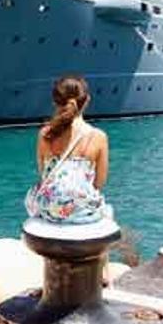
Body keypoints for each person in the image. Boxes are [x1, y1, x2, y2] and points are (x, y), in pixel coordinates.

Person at [25, 75, 111, 224]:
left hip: (48, 209)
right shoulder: (98, 137)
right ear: (87, 100)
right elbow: (99, 183)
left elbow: (43, 174)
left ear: (55, 102)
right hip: (81, 212)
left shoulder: (45, 134)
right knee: (109, 213)